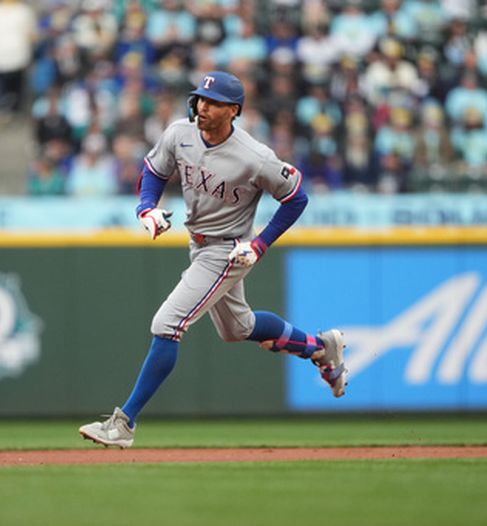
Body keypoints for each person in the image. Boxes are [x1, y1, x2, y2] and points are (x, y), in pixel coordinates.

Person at [79, 71, 347, 448]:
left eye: (214, 103)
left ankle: (124, 423)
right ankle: (319, 348)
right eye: (201, 99)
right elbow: (154, 171)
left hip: (228, 249)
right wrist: (146, 208)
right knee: (238, 328)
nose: (203, 107)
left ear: (233, 110)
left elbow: (296, 198)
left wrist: (259, 245)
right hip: (199, 243)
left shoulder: (254, 156)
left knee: (167, 323)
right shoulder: (180, 133)